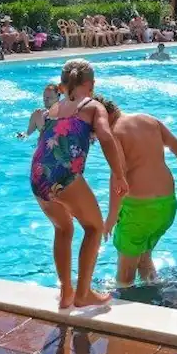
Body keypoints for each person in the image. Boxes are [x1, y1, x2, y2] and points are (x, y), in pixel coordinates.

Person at [31, 59, 128, 307]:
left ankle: (66, 293)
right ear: (91, 84)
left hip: (38, 174)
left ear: (62, 85)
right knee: (94, 227)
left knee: (63, 229)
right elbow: (106, 137)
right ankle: (83, 294)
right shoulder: (92, 106)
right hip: (64, 176)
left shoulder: (53, 108)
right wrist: (119, 174)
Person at [99, 97, 177, 287]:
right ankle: (153, 294)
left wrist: (111, 217)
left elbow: (117, 177)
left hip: (139, 210)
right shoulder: (148, 119)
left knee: (126, 273)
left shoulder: (113, 133)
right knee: (144, 257)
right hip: (166, 206)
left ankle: (124, 310)